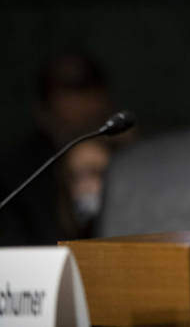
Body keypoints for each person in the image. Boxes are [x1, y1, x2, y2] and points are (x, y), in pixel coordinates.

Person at [0, 51, 124, 245]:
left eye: (82, 87)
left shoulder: (133, 156)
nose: (75, 102)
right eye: (65, 90)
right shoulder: (19, 170)